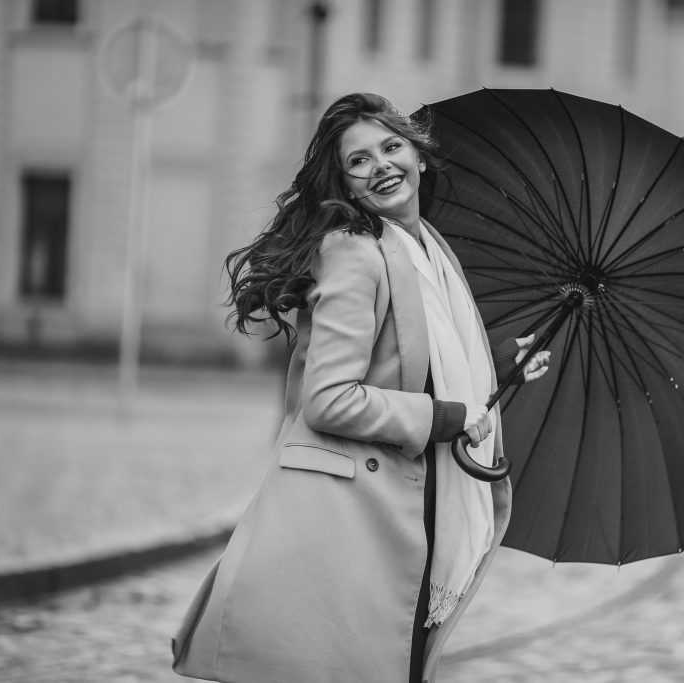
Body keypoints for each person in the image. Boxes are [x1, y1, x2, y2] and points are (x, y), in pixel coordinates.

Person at [171, 93, 551, 683]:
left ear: (418, 156)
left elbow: (416, 357)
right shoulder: (353, 251)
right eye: (359, 161)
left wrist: (498, 363)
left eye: (392, 147)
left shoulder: (427, 247)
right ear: (344, 184)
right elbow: (329, 399)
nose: (382, 166)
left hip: (411, 501)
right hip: (353, 514)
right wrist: (443, 418)